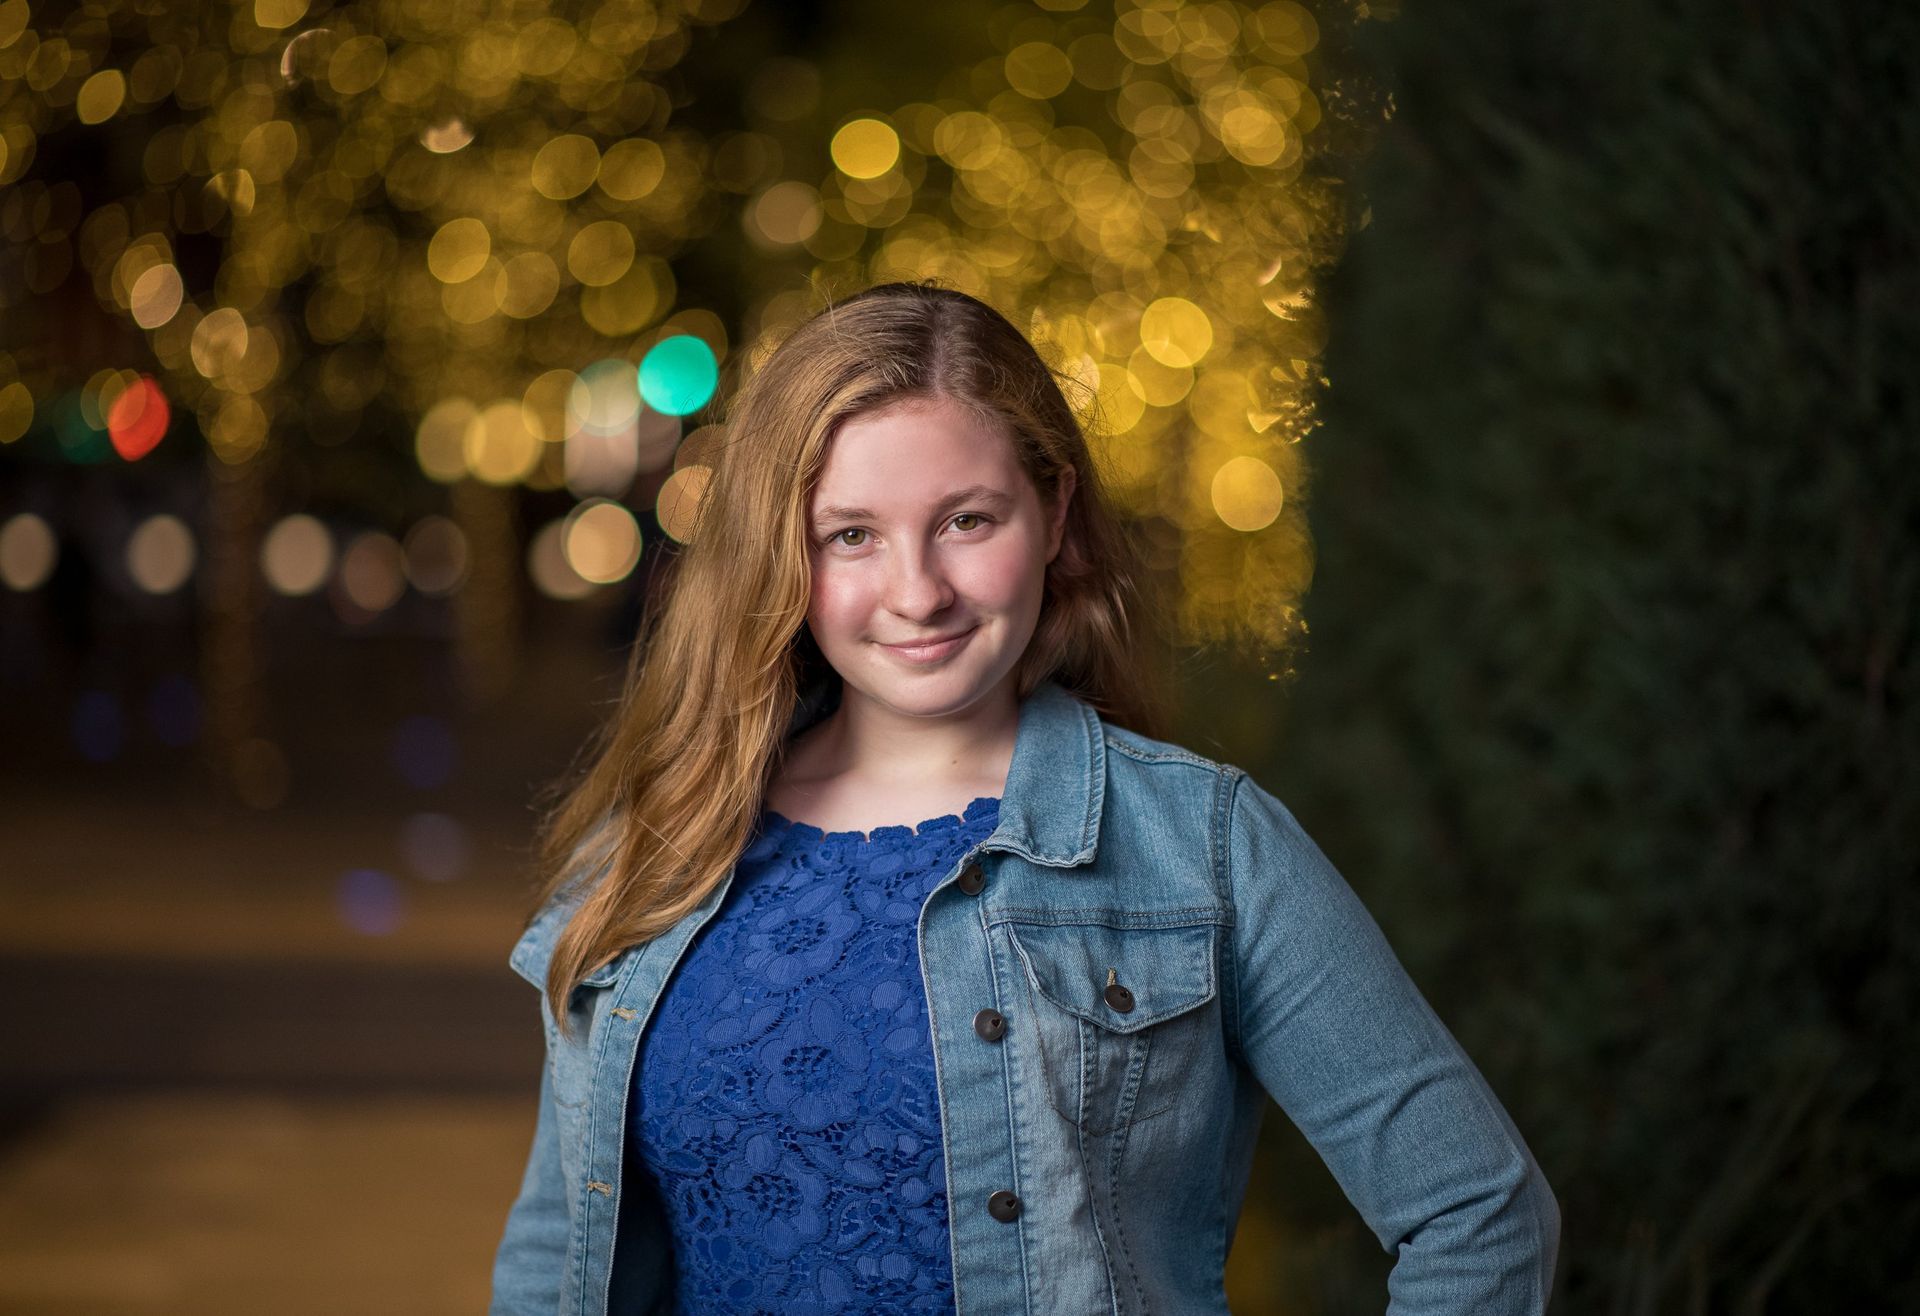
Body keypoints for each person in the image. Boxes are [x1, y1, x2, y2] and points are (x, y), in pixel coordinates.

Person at [488, 281, 1560, 1316]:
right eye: (850, 534)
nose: (917, 590)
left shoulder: (1205, 847)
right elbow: (555, 1257)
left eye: (966, 519)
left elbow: (1480, 1211)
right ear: (781, 552)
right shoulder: (660, 843)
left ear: (1053, 511)